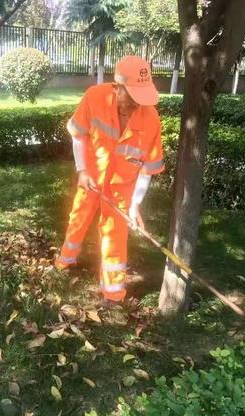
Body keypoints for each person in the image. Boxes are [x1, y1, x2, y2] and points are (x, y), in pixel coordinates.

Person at [55, 56, 166, 307]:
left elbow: (147, 170)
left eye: (142, 97)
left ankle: (113, 293)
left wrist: (135, 204)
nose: (138, 104)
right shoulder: (95, 97)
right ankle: (66, 260)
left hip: (121, 188)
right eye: (133, 96)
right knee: (78, 217)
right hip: (91, 177)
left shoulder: (151, 121)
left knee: (115, 234)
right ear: (117, 88)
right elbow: (79, 136)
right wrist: (82, 170)